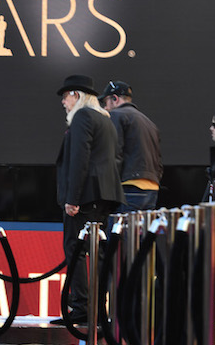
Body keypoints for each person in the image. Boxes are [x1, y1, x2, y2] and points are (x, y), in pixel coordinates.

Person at [53, 75, 125, 325]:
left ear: (76, 95)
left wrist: (72, 198)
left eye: (65, 96)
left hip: (85, 197)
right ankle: (95, 307)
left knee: (76, 249)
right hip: (102, 196)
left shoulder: (83, 117)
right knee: (97, 253)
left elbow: (79, 159)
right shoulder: (105, 119)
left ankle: (82, 307)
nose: (63, 102)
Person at [99, 80, 163, 211]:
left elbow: (114, 153)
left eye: (105, 102)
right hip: (152, 188)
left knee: (118, 230)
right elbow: (158, 159)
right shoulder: (149, 122)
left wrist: (106, 189)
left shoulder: (115, 116)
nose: (105, 108)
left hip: (129, 187)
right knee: (142, 231)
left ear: (115, 99)